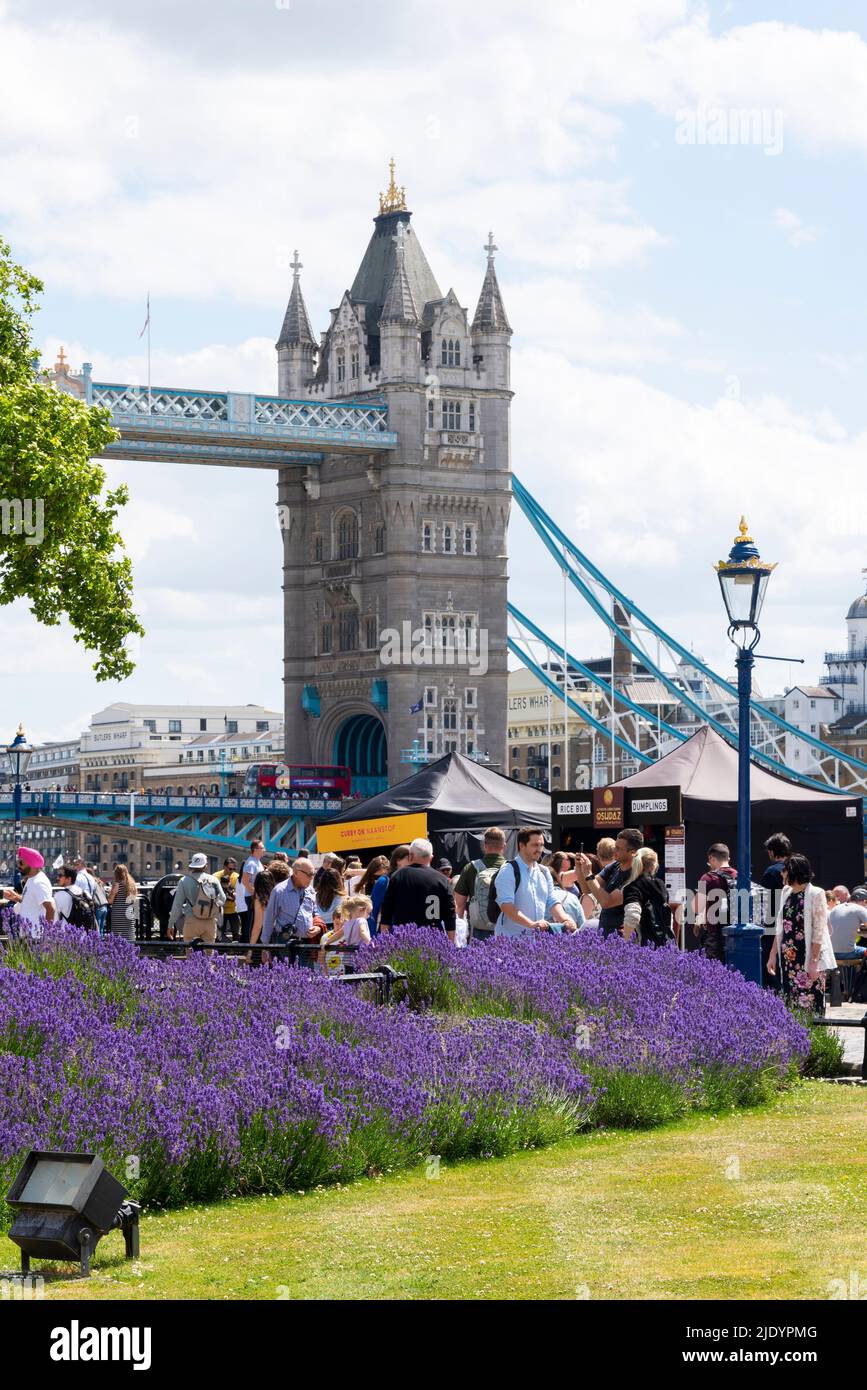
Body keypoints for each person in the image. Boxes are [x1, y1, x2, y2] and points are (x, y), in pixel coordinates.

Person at [767, 853, 836, 1013]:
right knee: (790, 1002)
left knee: (811, 1002)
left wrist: (814, 961)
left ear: (793, 871)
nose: (781, 874)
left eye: (784, 870)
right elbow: (780, 926)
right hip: (789, 959)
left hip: (808, 957)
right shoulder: (786, 892)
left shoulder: (816, 893)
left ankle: (813, 1037)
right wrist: (772, 955)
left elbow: (819, 930)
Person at [564, 829, 644, 938]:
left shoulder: (635, 875)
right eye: (615, 846)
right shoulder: (615, 866)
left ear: (633, 852)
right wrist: (580, 870)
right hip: (605, 935)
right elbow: (588, 889)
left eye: (619, 849)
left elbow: (607, 901)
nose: (614, 851)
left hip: (623, 939)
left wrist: (588, 874)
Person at [492, 827, 569, 938]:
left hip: (536, 940)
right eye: (535, 845)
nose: (539, 849)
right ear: (521, 845)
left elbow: (551, 901)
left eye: (541, 845)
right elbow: (506, 906)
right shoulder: (508, 870)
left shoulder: (544, 871)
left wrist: (565, 919)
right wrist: (531, 924)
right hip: (511, 940)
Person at [379, 837, 457, 938]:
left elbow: (386, 912)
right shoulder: (442, 880)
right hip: (434, 938)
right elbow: (450, 915)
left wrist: (385, 941)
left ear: (410, 855)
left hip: (404, 938)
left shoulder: (398, 876)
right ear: (431, 858)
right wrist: (451, 943)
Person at [454, 827, 507, 942]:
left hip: (479, 929)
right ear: (504, 845)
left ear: (484, 844)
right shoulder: (511, 868)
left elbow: (459, 904)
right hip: (507, 929)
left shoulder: (471, 868)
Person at [168, 852, 226, 948]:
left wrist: (170, 924)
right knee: (209, 956)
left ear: (192, 866)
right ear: (206, 866)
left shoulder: (184, 881)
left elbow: (177, 905)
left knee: (191, 955)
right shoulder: (213, 879)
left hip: (191, 920)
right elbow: (222, 899)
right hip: (210, 921)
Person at [693, 842, 738, 962]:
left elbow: (697, 907)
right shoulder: (740, 876)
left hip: (715, 934)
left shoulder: (707, 878)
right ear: (728, 858)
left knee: (713, 972)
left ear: (711, 858)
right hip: (737, 933)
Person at [261, 857, 318, 952]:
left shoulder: (310, 890)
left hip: (307, 944)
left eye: (313, 874)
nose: (311, 878)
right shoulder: (279, 891)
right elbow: (269, 919)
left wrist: (318, 927)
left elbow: (315, 913)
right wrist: (265, 948)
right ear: (295, 873)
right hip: (285, 943)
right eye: (309, 874)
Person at [622, 847, 674, 947]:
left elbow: (632, 915)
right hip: (665, 945)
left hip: (644, 949)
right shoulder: (660, 884)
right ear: (654, 865)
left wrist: (625, 943)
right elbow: (668, 914)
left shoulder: (632, 887)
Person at [2, 846, 55, 928]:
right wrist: (16, 897)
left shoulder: (39, 882)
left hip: (36, 937)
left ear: (32, 863)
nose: (18, 866)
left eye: (21, 863)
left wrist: (46, 935)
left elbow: (50, 909)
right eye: (18, 863)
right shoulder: (31, 879)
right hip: (29, 934)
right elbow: (33, 901)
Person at [248, 861, 291, 950]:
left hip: (262, 939)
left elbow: (257, 926)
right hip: (277, 936)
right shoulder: (277, 895)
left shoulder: (260, 900)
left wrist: (250, 949)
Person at [236, 839, 266, 944]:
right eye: (262, 848)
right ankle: (250, 946)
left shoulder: (257, 862)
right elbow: (245, 881)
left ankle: (254, 944)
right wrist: (256, 895)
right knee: (252, 922)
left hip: (256, 897)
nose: (264, 850)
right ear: (255, 849)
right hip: (252, 897)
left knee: (256, 922)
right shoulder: (251, 863)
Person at [828, 886, 867, 961]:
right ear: (865, 901)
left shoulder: (836, 908)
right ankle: (861, 972)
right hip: (848, 953)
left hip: (831, 953)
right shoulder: (861, 909)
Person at [53, 864, 95, 928]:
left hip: (67, 935)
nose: (57, 878)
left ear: (69, 879)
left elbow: (55, 920)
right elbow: (93, 917)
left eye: (60, 876)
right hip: (85, 934)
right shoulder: (85, 893)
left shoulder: (59, 895)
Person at [74, 855, 108, 934]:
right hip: (98, 905)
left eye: (76, 865)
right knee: (99, 930)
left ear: (81, 865)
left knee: (88, 929)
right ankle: (99, 945)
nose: (74, 867)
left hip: (85, 906)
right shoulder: (91, 877)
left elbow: (75, 891)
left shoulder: (78, 877)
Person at [357, 854, 390, 937]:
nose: (377, 880)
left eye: (380, 876)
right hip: (370, 923)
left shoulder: (385, 882)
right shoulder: (367, 883)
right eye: (374, 877)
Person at [107, 864, 139, 943]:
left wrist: (112, 893)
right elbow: (134, 902)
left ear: (116, 874)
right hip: (129, 915)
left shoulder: (116, 885)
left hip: (118, 915)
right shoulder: (132, 885)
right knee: (129, 935)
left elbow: (110, 901)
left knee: (117, 938)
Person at [216, 858, 240, 940]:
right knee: (219, 933)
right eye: (230, 869)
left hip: (234, 910)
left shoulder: (237, 877)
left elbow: (240, 894)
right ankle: (220, 951)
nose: (232, 871)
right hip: (220, 911)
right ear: (224, 867)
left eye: (234, 869)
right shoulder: (216, 877)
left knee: (236, 932)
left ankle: (236, 950)